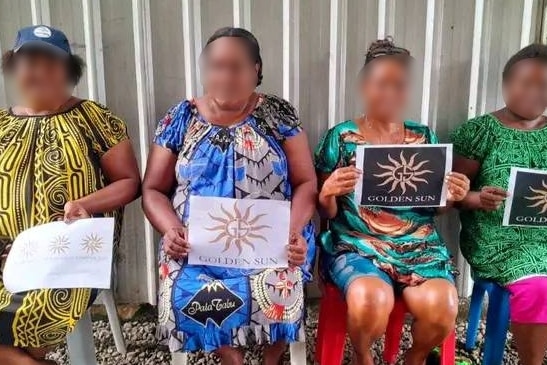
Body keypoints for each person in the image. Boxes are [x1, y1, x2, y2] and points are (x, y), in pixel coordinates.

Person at [142, 27, 316, 365]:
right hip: (197, 245)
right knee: (185, 292)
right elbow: (152, 189)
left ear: (257, 70)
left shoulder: (278, 115)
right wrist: (170, 230)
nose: (225, 76)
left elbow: (306, 182)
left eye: (236, 67)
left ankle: (271, 358)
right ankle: (231, 358)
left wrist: (292, 232)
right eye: (215, 66)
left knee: (280, 286)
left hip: (271, 241)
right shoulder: (181, 118)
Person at [314, 39, 470, 365]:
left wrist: (451, 196)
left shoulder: (423, 137)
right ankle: (363, 356)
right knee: (370, 299)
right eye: (381, 84)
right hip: (357, 245)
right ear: (365, 86)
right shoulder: (341, 137)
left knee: (443, 306)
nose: (390, 93)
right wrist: (327, 192)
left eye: (399, 85)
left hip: (418, 248)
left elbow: (434, 207)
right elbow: (324, 212)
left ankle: (414, 358)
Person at [0, 25, 140, 365]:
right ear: (13, 67)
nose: (39, 71)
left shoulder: (96, 119)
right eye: (29, 62)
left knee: (36, 312)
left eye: (51, 63)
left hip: (71, 253)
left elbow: (129, 182)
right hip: (7, 250)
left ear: (69, 71)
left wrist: (84, 204)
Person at [451, 44, 547, 365]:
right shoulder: (480, 132)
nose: (534, 92)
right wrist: (477, 198)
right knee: (537, 284)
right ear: (506, 83)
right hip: (496, 239)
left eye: (543, 86)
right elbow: (451, 194)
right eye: (525, 83)